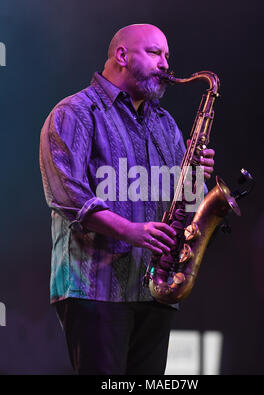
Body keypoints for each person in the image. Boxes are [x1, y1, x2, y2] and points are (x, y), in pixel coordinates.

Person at [39, 23, 215, 375]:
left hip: (155, 288)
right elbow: (66, 195)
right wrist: (129, 231)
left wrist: (198, 176)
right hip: (94, 290)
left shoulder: (166, 124)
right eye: (154, 53)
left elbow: (182, 202)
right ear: (122, 55)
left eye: (167, 56)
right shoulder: (75, 112)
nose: (166, 64)